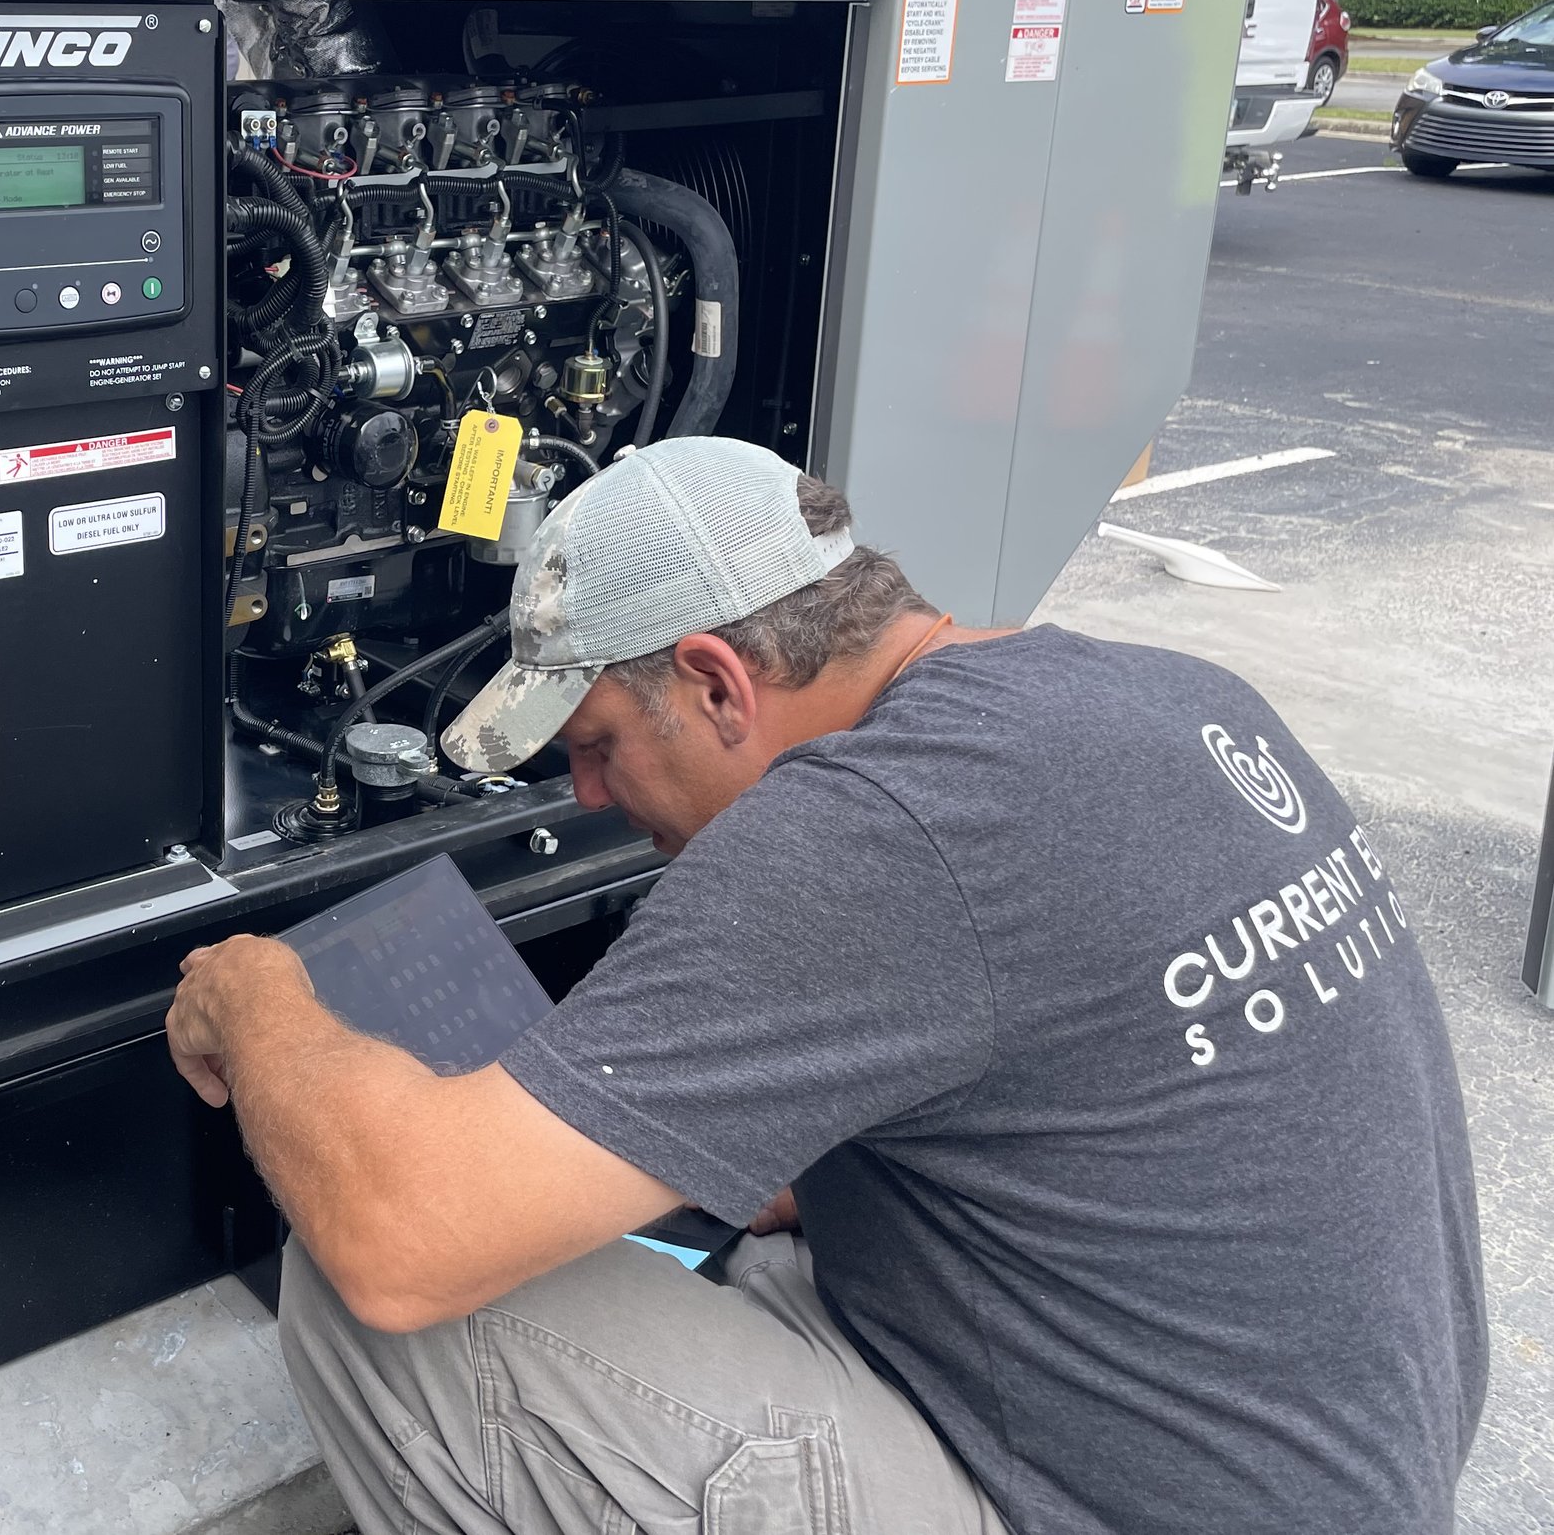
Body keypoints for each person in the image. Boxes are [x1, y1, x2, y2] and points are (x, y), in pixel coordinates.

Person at [167, 436, 1484, 1535]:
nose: (589, 796)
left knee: (379, 1306)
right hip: (1330, 1476)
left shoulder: (869, 833)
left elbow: (403, 1244)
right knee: (727, 1224)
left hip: (1100, 1507)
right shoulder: (1170, 696)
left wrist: (256, 995)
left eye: (598, 744)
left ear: (716, 683)